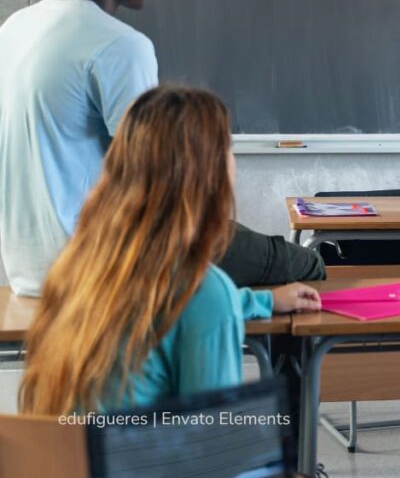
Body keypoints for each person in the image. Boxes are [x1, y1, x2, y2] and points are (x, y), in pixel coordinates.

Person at [0, 0, 323, 298]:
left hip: (26, 268)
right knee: (305, 262)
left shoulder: (15, 28)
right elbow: (158, 184)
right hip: (98, 264)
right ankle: (266, 359)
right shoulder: (118, 44)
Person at [18, 86, 320, 414]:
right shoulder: (204, 292)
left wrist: (264, 301)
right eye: (228, 149)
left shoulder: (76, 270)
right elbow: (211, 443)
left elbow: (170, 304)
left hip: (62, 461)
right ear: (208, 174)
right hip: (144, 464)